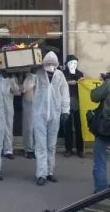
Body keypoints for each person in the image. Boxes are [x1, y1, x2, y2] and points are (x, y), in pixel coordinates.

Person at [32, 51, 70, 186]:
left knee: (51, 145)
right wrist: (28, 74)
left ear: (57, 64)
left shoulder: (60, 76)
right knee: (41, 145)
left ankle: (50, 172)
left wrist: (65, 111)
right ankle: (41, 173)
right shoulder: (38, 74)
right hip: (39, 113)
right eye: (48, 63)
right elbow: (26, 87)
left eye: (53, 63)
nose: (50, 65)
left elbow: (65, 94)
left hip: (54, 113)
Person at [90, 72, 110, 193]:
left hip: (106, 128)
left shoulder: (108, 84)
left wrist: (104, 82)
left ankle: (101, 195)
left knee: (100, 161)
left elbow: (94, 96)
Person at [62, 55, 85, 158]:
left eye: (75, 63)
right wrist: (68, 82)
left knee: (79, 126)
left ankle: (80, 149)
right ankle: (68, 149)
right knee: (67, 127)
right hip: (66, 102)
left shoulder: (79, 74)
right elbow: (60, 84)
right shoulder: (63, 74)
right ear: (67, 64)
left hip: (77, 102)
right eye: (71, 63)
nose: (73, 65)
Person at [3, 74, 21, 159]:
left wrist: (14, 85)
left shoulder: (12, 79)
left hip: (8, 106)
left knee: (8, 128)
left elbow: (18, 92)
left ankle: (8, 150)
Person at [22, 71, 37, 159]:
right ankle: (28, 149)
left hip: (38, 103)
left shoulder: (41, 75)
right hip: (29, 102)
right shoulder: (29, 77)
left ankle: (35, 148)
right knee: (29, 127)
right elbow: (24, 89)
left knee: (36, 128)